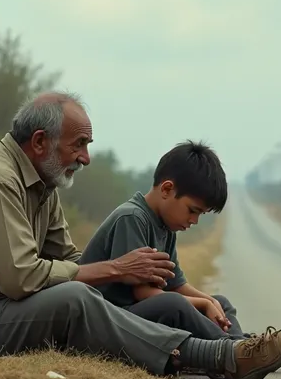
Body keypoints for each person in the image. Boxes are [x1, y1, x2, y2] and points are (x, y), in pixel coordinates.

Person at [0, 91, 281, 379]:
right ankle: (224, 356)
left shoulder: (41, 186)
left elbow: (72, 262)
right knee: (77, 298)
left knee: (88, 297)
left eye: (87, 146)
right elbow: (19, 278)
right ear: (40, 141)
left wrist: (116, 276)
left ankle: (234, 349)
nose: (85, 157)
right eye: (78, 145)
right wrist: (116, 268)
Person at [79, 140, 271, 345]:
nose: (194, 221)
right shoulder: (132, 217)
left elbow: (177, 285)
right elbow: (143, 292)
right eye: (192, 210)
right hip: (112, 316)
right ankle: (232, 349)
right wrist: (202, 303)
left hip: (137, 311)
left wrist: (210, 301)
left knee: (221, 303)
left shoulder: (166, 227)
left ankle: (240, 343)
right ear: (167, 189)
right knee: (174, 304)